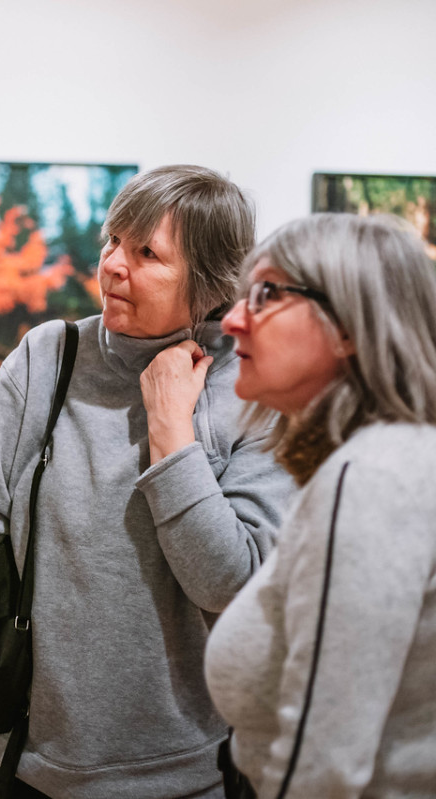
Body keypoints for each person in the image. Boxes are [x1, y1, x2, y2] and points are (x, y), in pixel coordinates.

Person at [0, 165, 296, 798]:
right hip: (16, 757)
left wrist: (171, 431)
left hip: (180, 773)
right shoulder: (47, 356)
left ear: (209, 282)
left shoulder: (253, 390)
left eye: (146, 253)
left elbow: (230, 584)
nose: (113, 264)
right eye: (113, 241)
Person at [205, 213, 436, 797]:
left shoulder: (369, 479)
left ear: (351, 326)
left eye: (267, 294)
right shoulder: (390, 459)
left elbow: (323, 760)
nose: (232, 320)